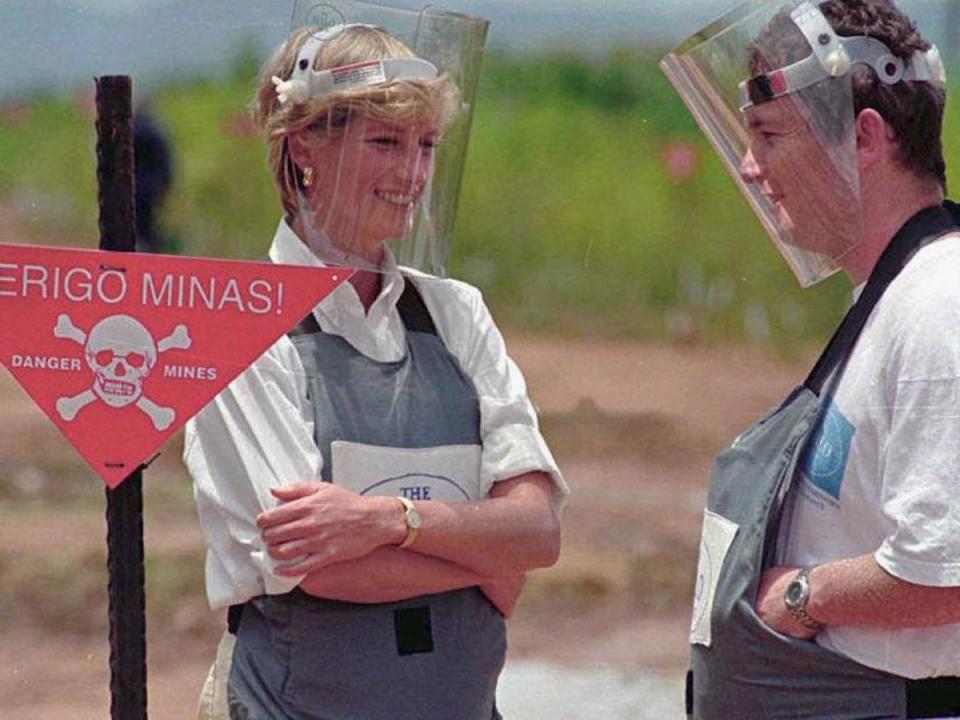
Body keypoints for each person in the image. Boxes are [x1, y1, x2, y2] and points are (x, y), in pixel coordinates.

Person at [185, 13, 566, 720]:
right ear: (304, 147)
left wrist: (384, 520)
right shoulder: (243, 327)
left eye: (426, 145)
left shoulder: (455, 313)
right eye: (386, 142)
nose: (413, 173)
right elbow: (317, 565)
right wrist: (484, 557)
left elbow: (538, 531)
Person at [662, 1, 960, 718]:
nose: (748, 168)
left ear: (864, 137)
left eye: (768, 134)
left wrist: (801, 596)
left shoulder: (938, 305)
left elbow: (945, 570)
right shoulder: (899, 295)